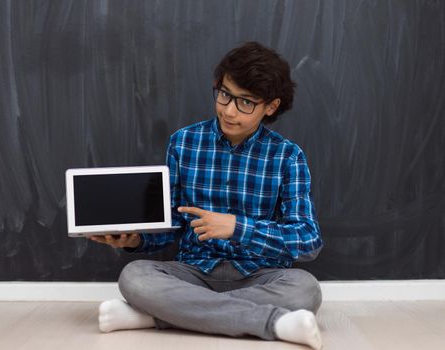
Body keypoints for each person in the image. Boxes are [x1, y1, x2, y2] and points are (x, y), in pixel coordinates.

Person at [90, 41, 323, 350]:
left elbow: (308, 240)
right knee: (135, 276)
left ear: (271, 106)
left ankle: (160, 317)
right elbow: (170, 223)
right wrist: (135, 239)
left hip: (260, 274)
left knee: (305, 290)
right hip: (193, 271)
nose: (228, 110)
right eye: (224, 94)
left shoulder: (288, 156)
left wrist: (238, 228)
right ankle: (272, 322)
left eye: (245, 102)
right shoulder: (184, 142)